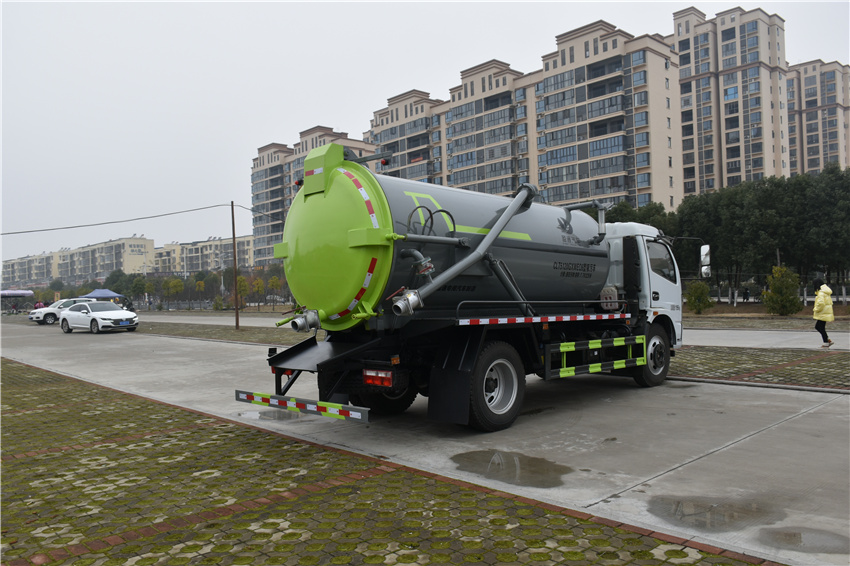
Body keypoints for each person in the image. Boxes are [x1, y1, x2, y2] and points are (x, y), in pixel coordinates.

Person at [812, 278, 834, 348]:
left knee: (819, 327)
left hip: (823, 313)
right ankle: (827, 340)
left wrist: (816, 309)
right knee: (820, 327)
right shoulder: (825, 291)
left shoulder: (821, 293)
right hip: (825, 312)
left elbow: (821, 303)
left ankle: (826, 342)